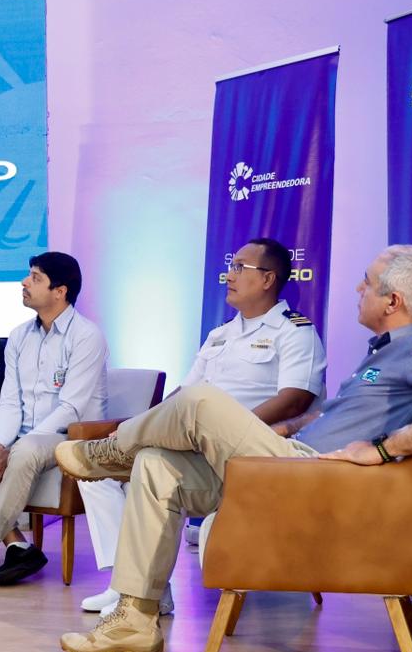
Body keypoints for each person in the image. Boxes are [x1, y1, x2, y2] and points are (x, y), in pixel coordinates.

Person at [54, 244, 412, 652]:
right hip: (291, 466)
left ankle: (107, 453)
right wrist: (288, 428)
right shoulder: (389, 351)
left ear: (393, 301)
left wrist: (382, 449)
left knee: (199, 402)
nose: (358, 288)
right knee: (157, 466)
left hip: (314, 480)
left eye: (367, 282)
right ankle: (134, 621)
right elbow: (334, 418)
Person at [76, 237, 326, 617]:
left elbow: (296, 400)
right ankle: (136, 590)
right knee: (126, 469)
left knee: (183, 419)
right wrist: (154, 424)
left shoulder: (295, 332)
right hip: (199, 447)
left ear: (268, 279)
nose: (229, 274)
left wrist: (222, 429)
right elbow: (182, 394)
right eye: (231, 266)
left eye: (240, 267)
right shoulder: (220, 335)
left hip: (253, 455)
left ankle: (117, 445)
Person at [0, 252, 108, 586]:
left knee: (25, 449)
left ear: (60, 291)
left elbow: (71, 408)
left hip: (71, 437)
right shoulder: (19, 336)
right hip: (25, 437)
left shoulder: (86, 336)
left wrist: (16, 446)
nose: (24, 282)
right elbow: (11, 401)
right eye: (28, 275)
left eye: (36, 278)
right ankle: (17, 544)